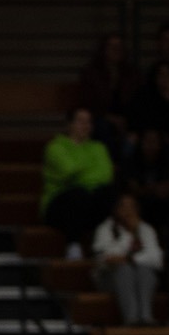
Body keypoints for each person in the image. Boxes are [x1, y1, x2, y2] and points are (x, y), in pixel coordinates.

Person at [41, 107, 117, 258]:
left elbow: (106, 175)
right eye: (80, 121)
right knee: (78, 194)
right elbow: (68, 171)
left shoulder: (99, 148)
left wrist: (79, 172)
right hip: (59, 205)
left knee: (106, 193)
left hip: (89, 203)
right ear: (69, 125)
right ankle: (73, 245)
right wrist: (90, 168)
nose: (85, 125)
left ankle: (102, 245)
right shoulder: (55, 147)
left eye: (89, 122)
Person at [90, 192, 164, 325]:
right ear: (116, 209)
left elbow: (156, 259)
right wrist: (129, 235)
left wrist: (130, 259)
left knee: (145, 271)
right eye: (123, 206)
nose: (128, 211)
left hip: (140, 278)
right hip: (109, 279)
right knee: (125, 270)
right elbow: (106, 258)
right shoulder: (105, 228)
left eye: (132, 207)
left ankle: (146, 318)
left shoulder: (145, 229)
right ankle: (132, 319)